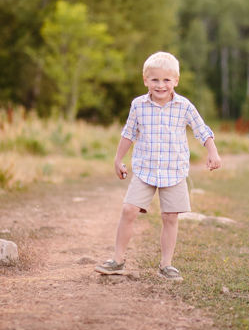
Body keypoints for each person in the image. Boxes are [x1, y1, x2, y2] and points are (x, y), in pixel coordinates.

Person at [94, 51, 221, 281]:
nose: (160, 85)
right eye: (155, 80)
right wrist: (117, 159)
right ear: (146, 80)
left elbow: (202, 130)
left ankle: (166, 266)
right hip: (145, 170)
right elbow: (128, 133)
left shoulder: (184, 106)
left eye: (166, 80)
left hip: (174, 171)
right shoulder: (138, 105)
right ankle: (118, 260)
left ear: (176, 81)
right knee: (128, 210)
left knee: (170, 217)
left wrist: (212, 151)